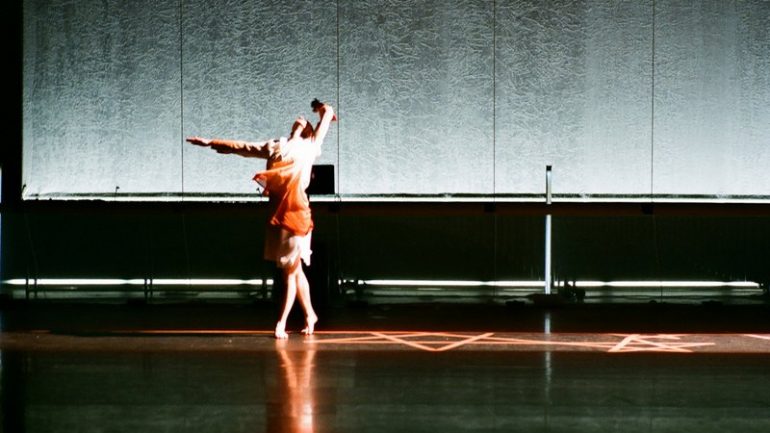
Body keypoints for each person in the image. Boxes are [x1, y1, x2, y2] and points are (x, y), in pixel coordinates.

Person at [187, 100, 336, 339]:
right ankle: (310, 314)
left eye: (304, 122)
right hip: (279, 213)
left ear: (308, 130)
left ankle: (281, 321)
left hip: (297, 215)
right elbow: (242, 147)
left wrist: (320, 108)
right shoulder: (275, 145)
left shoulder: (311, 146)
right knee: (295, 270)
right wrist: (211, 143)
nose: (298, 119)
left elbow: (328, 114)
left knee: (290, 271)